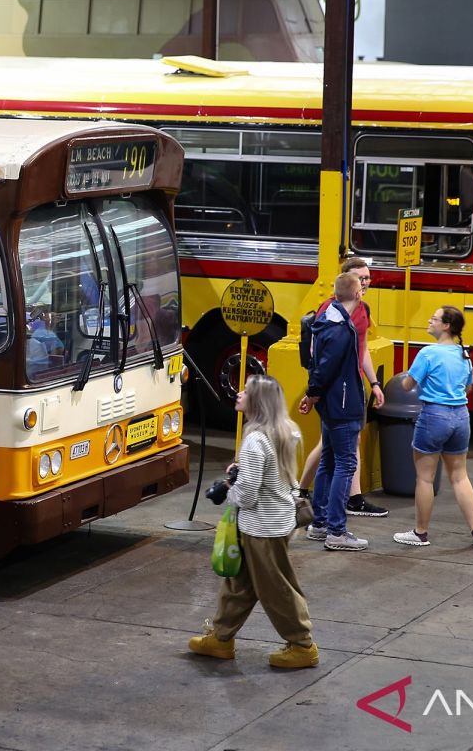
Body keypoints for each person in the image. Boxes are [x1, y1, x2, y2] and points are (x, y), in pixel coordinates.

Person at [187, 375, 319, 669]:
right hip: (278, 520)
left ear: (256, 401)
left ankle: (302, 645)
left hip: (262, 528)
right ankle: (220, 639)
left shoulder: (255, 440)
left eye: (245, 392)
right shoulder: (286, 431)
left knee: (276, 589)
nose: (238, 394)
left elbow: (247, 496)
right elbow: (282, 478)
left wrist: (227, 491)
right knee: (239, 585)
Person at [298, 257, 388, 522]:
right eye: (360, 278)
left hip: (350, 385)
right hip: (340, 390)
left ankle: (320, 509)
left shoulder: (363, 310)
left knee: (333, 449)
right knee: (339, 453)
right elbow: (322, 358)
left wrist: (374, 383)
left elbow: (363, 350)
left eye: (367, 277)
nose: (365, 282)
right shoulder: (332, 314)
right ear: (347, 282)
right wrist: (314, 393)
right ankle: (334, 517)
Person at [393, 306, 473, 548]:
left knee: (425, 479)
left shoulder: (428, 353)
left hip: (433, 417)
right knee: (460, 476)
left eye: (434, 319)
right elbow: (468, 387)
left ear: (446, 326)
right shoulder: (463, 354)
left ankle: (420, 533)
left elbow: (406, 385)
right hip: (460, 418)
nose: (429, 320)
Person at [299, 273, 369, 551]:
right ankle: (336, 531)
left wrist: (313, 395)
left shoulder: (326, 318)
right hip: (342, 404)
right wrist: (311, 394)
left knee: (329, 460)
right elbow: (326, 368)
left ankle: (319, 523)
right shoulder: (340, 329)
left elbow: (319, 367)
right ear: (358, 294)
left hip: (330, 404)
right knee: (345, 464)